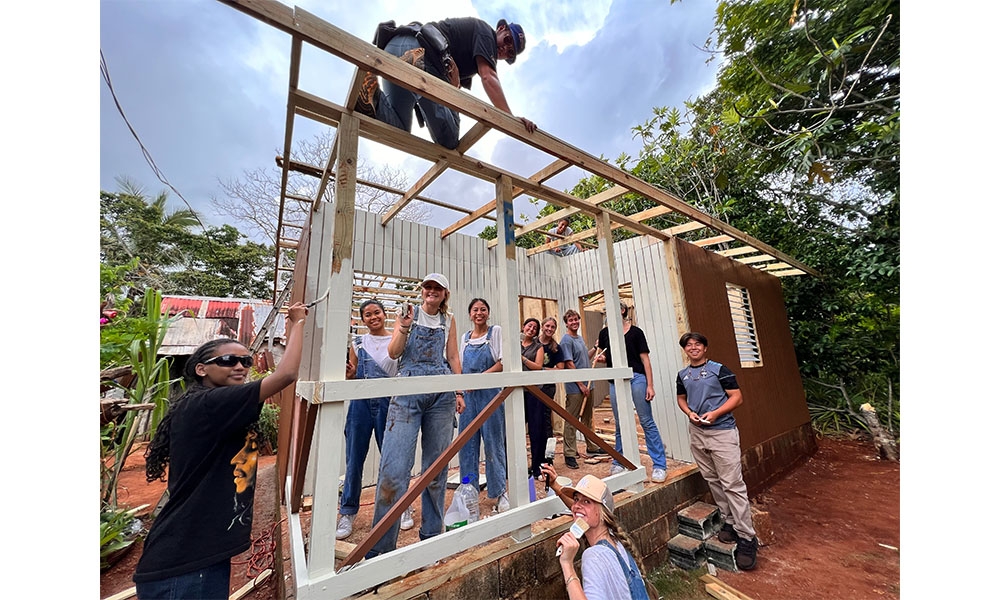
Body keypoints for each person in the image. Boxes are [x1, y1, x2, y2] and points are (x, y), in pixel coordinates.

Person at [133, 303, 308, 600]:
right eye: (228, 360)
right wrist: (301, 322)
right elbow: (287, 374)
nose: (239, 366)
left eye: (245, 361)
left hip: (197, 553)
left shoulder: (211, 403)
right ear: (201, 369)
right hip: (185, 563)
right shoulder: (211, 404)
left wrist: (290, 326)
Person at [366, 273, 464, 558]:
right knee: (394, 472)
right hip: (407, 392)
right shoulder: (408, 314)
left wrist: (459, 392)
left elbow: (454, 357)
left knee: (436, 470)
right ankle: (380, 551)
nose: (432, 291)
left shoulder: (449, 320)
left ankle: (431, 539)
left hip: (441, 396)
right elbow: (394, 352)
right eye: (428, 287)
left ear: (445, 293)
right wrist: (405, 327)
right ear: (422, 291)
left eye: (438, 288)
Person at [356, 17, 536, 149]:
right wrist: (510, 120)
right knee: (449, 139)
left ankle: (371, 96)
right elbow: (488, 76)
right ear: (501, 29)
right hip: (422, 54)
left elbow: (453, 87)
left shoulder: (467, 60)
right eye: (507, 40)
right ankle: (414, 62)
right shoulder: (485, 33)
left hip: (395, 50)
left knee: (397, 130)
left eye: (509, 53)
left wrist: (455, 85)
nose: (504, 49)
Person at [676, 332, 759, 570]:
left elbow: (737, 397)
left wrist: (716, 413)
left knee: (732, 483)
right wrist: (688, 412)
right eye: (688, 345)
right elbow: (681, 398)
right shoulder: (683, 375)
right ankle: (729, 521)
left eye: (697, 344)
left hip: (722, 432)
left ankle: (746, 536)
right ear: (685, 350)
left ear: (705, 348)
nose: (693, 348)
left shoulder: (719, 370)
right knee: (713, 479)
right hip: (697, 432)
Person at [336, 299, 414, 540]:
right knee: (354, 461)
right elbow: (353, 375)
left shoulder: (396, 339)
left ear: (384, 314)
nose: (373, 317)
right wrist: (348, 375)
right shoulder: (358, 342)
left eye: (376, 313)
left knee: (393, 460)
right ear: (363, 320)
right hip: (360, 405)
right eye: (367, 315)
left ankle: (403, 507)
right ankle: (347, 512)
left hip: (387, 404)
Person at [541, 464, 651, 600]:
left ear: (603, 514)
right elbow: (584, 512)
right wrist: (556, 486)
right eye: (576, 499)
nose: (576, 506)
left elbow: (585, 513)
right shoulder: (615, 538)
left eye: (587, 501)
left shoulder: (594, 557)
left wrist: (567, 564)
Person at [594, 303, 667, 483]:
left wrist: (650, 385)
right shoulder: (604, 334)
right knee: (620, 423)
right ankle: (619, 461)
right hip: (615, 380)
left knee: (646, 421)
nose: (608, 312)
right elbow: (605, 357)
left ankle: (659, 465)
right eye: (606, 310)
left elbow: (645, 359)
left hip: (637, 378)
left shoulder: (636, 332)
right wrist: (602, 358)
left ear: (622, 310)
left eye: (612, 308)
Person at [457, 298, 510, 513]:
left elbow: (502, 363)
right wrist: (459, 392)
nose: (479, 313)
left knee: (493, 445)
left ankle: (499, 492)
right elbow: (459, 366)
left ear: (488, 313)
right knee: (467, 447)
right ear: (470, 314)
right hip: (468, 398)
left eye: (483, 310)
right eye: (475, 310)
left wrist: (479, 379)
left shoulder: (495, 332)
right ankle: (468, 489)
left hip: (490, 395)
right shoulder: (465, 338)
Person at [523, 316, 566, 479]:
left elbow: (557, 368)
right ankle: (525, 465)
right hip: (524, 391)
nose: (549, 329)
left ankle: (546, 463)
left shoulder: (554, 348)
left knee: (544, 428)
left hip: (544, 389)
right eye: (546, 326)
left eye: (552, 327)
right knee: (524, 428)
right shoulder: (526, 343)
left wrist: (541, 369)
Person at [560, 309, 596, 469]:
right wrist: (580, 384)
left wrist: (595, 348)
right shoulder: (566, 340)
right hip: (576, 388)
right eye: (571, 320)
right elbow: (569, 363)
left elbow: (584, 358)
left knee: (587, 419)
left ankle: (592, 447)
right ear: (566, 323)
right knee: (572, 421)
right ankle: (569, 453)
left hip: (589, 385)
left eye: (576, 319)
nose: (574, 322)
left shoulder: (579, 338)